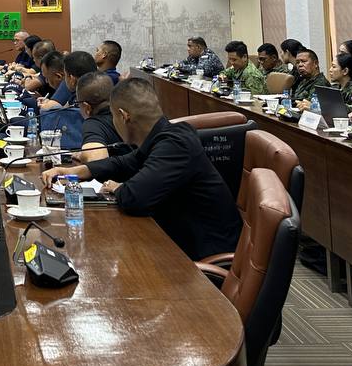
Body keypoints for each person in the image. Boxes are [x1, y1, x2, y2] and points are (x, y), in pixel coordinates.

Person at [42, 78, 241, 261]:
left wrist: (118, 188)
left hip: (203, 258)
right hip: (177, 244)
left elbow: (133, 197)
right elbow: (122, 163)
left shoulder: (176, 144)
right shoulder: (162, 137)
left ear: (123, 116)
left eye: (113, 116)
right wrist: (72, 172)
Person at [37, 51, 96, 148]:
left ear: (71, 79)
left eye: (65, 75)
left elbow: (47, 110)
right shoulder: (103, 85)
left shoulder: (77, 94)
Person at [75, 71, 124, 160]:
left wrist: (84, 157)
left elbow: (96, 159)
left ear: (87, 107)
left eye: (78, 103)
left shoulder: (93, 125)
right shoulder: (126, 112)